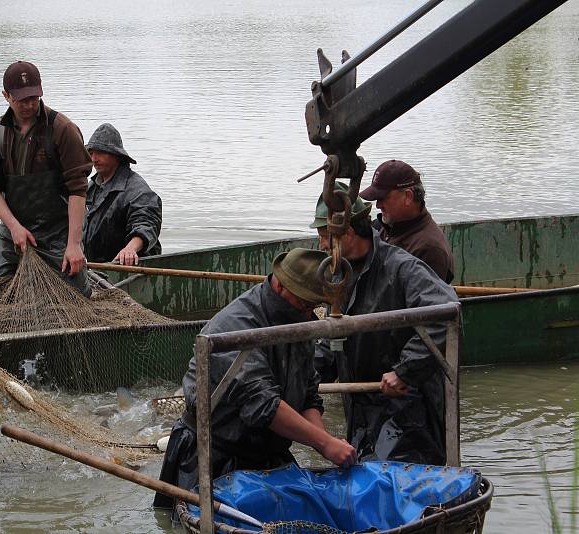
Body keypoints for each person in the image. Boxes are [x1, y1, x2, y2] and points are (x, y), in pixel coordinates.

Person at [154, 249, 357, 508]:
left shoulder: (299, 319)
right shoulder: (236, 326)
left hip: (267, 451)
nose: (309, 313)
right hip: (212, 454)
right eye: (305, 304)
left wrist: (326, 443)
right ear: (281, 287)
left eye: (313, 306)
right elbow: (263, 406)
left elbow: (307, 395)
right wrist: (324, 443)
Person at [311, 182, 458, 466]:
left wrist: (405, 371)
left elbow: (446, 312)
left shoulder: (401, 267)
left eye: (325, 237)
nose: (322, 246)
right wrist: (307, 379)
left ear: (348, 233)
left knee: (405, 483)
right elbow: (333, 340)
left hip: (408, 412)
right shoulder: (339, 275)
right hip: (363, 408)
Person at [0, 60, 93, 296]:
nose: (29, 105)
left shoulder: (62, 129)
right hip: (14, 227)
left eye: (34, 98)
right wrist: (14, 227)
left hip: (58, 229)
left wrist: (73, 244)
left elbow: (77, 189)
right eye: (21, 99)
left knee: (77, 292)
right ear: (6, 96)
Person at [359, 159, 454, 283]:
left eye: (383, 198)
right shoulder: (382, 227)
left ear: (408, 197)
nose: (378, 205)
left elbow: (422, 300)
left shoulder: (429, 249)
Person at [83, 123, 162, 265]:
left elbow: (146, 224)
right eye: (91, 152)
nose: (94, 158)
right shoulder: (92, 187)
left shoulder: (137, 190)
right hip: (97, 267)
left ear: (117, 156)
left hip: (129, 268)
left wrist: (130, 249)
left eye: (101, 152)